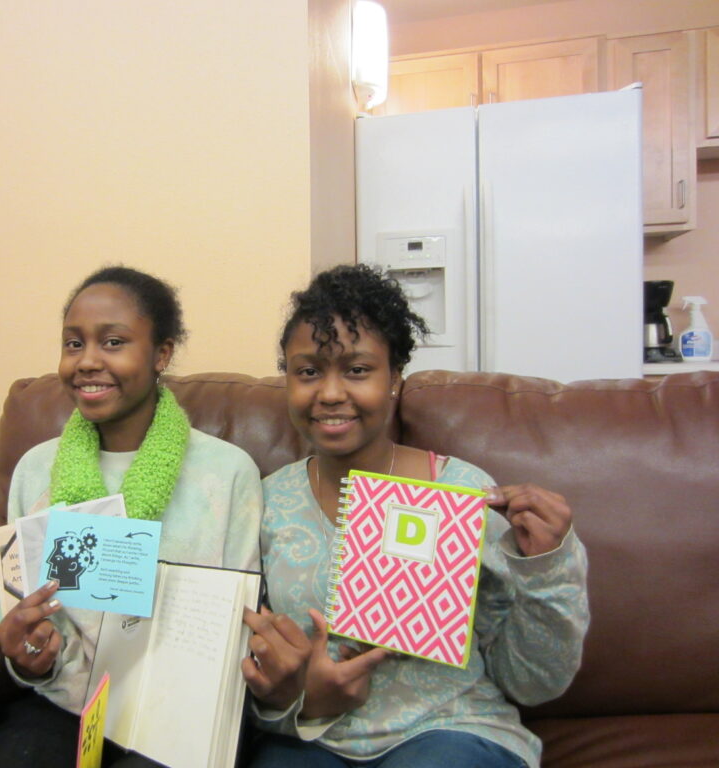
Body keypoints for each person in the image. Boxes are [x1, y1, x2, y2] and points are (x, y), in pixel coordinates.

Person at [247, 263, 589, 768]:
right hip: (312, 738)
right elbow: (241, 677)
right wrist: (294, 700)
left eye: (358, 370)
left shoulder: (463, 493)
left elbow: (534, 682)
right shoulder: (265, 502)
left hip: (450, 731)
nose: (331, 392)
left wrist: (549, 566)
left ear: (395, 380)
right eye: (309, 371)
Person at [0, 266, 263, 768]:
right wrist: (34, 659)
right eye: (73, 343)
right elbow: (29, 621)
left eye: (113, 342)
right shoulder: (36, 470)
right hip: (66, 702)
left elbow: (234, 627)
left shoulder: (226, 473)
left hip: (179, 710)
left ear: (161, 354)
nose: (87, 361)